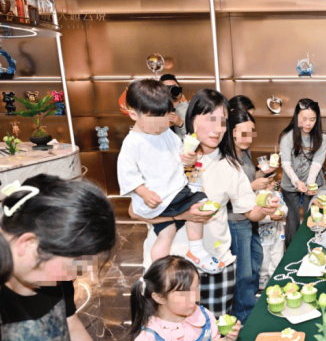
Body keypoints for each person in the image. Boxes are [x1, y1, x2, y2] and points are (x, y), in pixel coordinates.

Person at [0, 175, 137, 341]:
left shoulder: (48, 262)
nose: (73, 277)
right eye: (73, 267)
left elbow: (68, 326)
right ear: (28, 244)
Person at [133, 90, 279, 324]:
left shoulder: (230, 165)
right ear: (192, 120)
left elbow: (250, 211)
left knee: (215, 335)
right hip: (169, 269)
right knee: (168, 337)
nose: (217, 128)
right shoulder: (168, 156)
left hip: (216, 267)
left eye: (222, 121)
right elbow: (134, 211)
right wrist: (182, 215)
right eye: (210, 119)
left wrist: (265, 208)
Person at [118, 80, 222, 273]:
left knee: (167, 233)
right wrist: (144, 192)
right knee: (198, 202)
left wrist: (189, 158)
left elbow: (180, 156)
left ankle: (171, 263)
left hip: (173, 193)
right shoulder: (132, 143)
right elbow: (128, 175)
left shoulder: (166, 133)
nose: (162, 125)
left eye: (165, 117)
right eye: (155, 119)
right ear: (133, 114)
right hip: (157, 199)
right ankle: (187, 256)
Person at [226, 95, 283, 321]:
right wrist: (252, 186)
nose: (247, 138)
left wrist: (263, 175)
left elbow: (251, 177)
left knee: (255, 261)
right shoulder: (227, 157)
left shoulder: (245, 152)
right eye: (243, 133)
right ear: (231, 131)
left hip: (251, 216)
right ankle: (243, 316)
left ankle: (248, 307)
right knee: (244, 272)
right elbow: (228, 194)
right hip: (236, 219)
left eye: (250, 133)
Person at [279, 99, 326, 246]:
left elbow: (317, 163)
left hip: (313, 183)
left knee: (313, 218)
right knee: (292, 221)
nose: (308, 123)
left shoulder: (322, 137)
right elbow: (286, 163)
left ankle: (312, 249)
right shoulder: (287, 136)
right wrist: (297, 182)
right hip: (290, 183)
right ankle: (292, 252)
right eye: (304, 119)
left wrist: (310, 183)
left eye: (312, 120)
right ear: (297, 117)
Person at [258, 170, 288, 289]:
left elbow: (284, 207)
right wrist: (269, 217)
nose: (271, 185)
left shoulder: (277, 194)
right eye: (268, 183)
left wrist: (283, 213)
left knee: (277, 258)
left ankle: (276, 280)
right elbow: (256, 217)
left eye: (273, 181)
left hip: (278, 233)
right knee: (264, 261)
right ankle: (263, 280)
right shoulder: (257, 197)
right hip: (263, 236)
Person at [160, 74, 189, 140]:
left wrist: (181, 124)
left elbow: (194, 137)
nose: (171, 90)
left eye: (174, 87)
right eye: (167, 88)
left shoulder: (189, 109)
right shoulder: (155, 110)